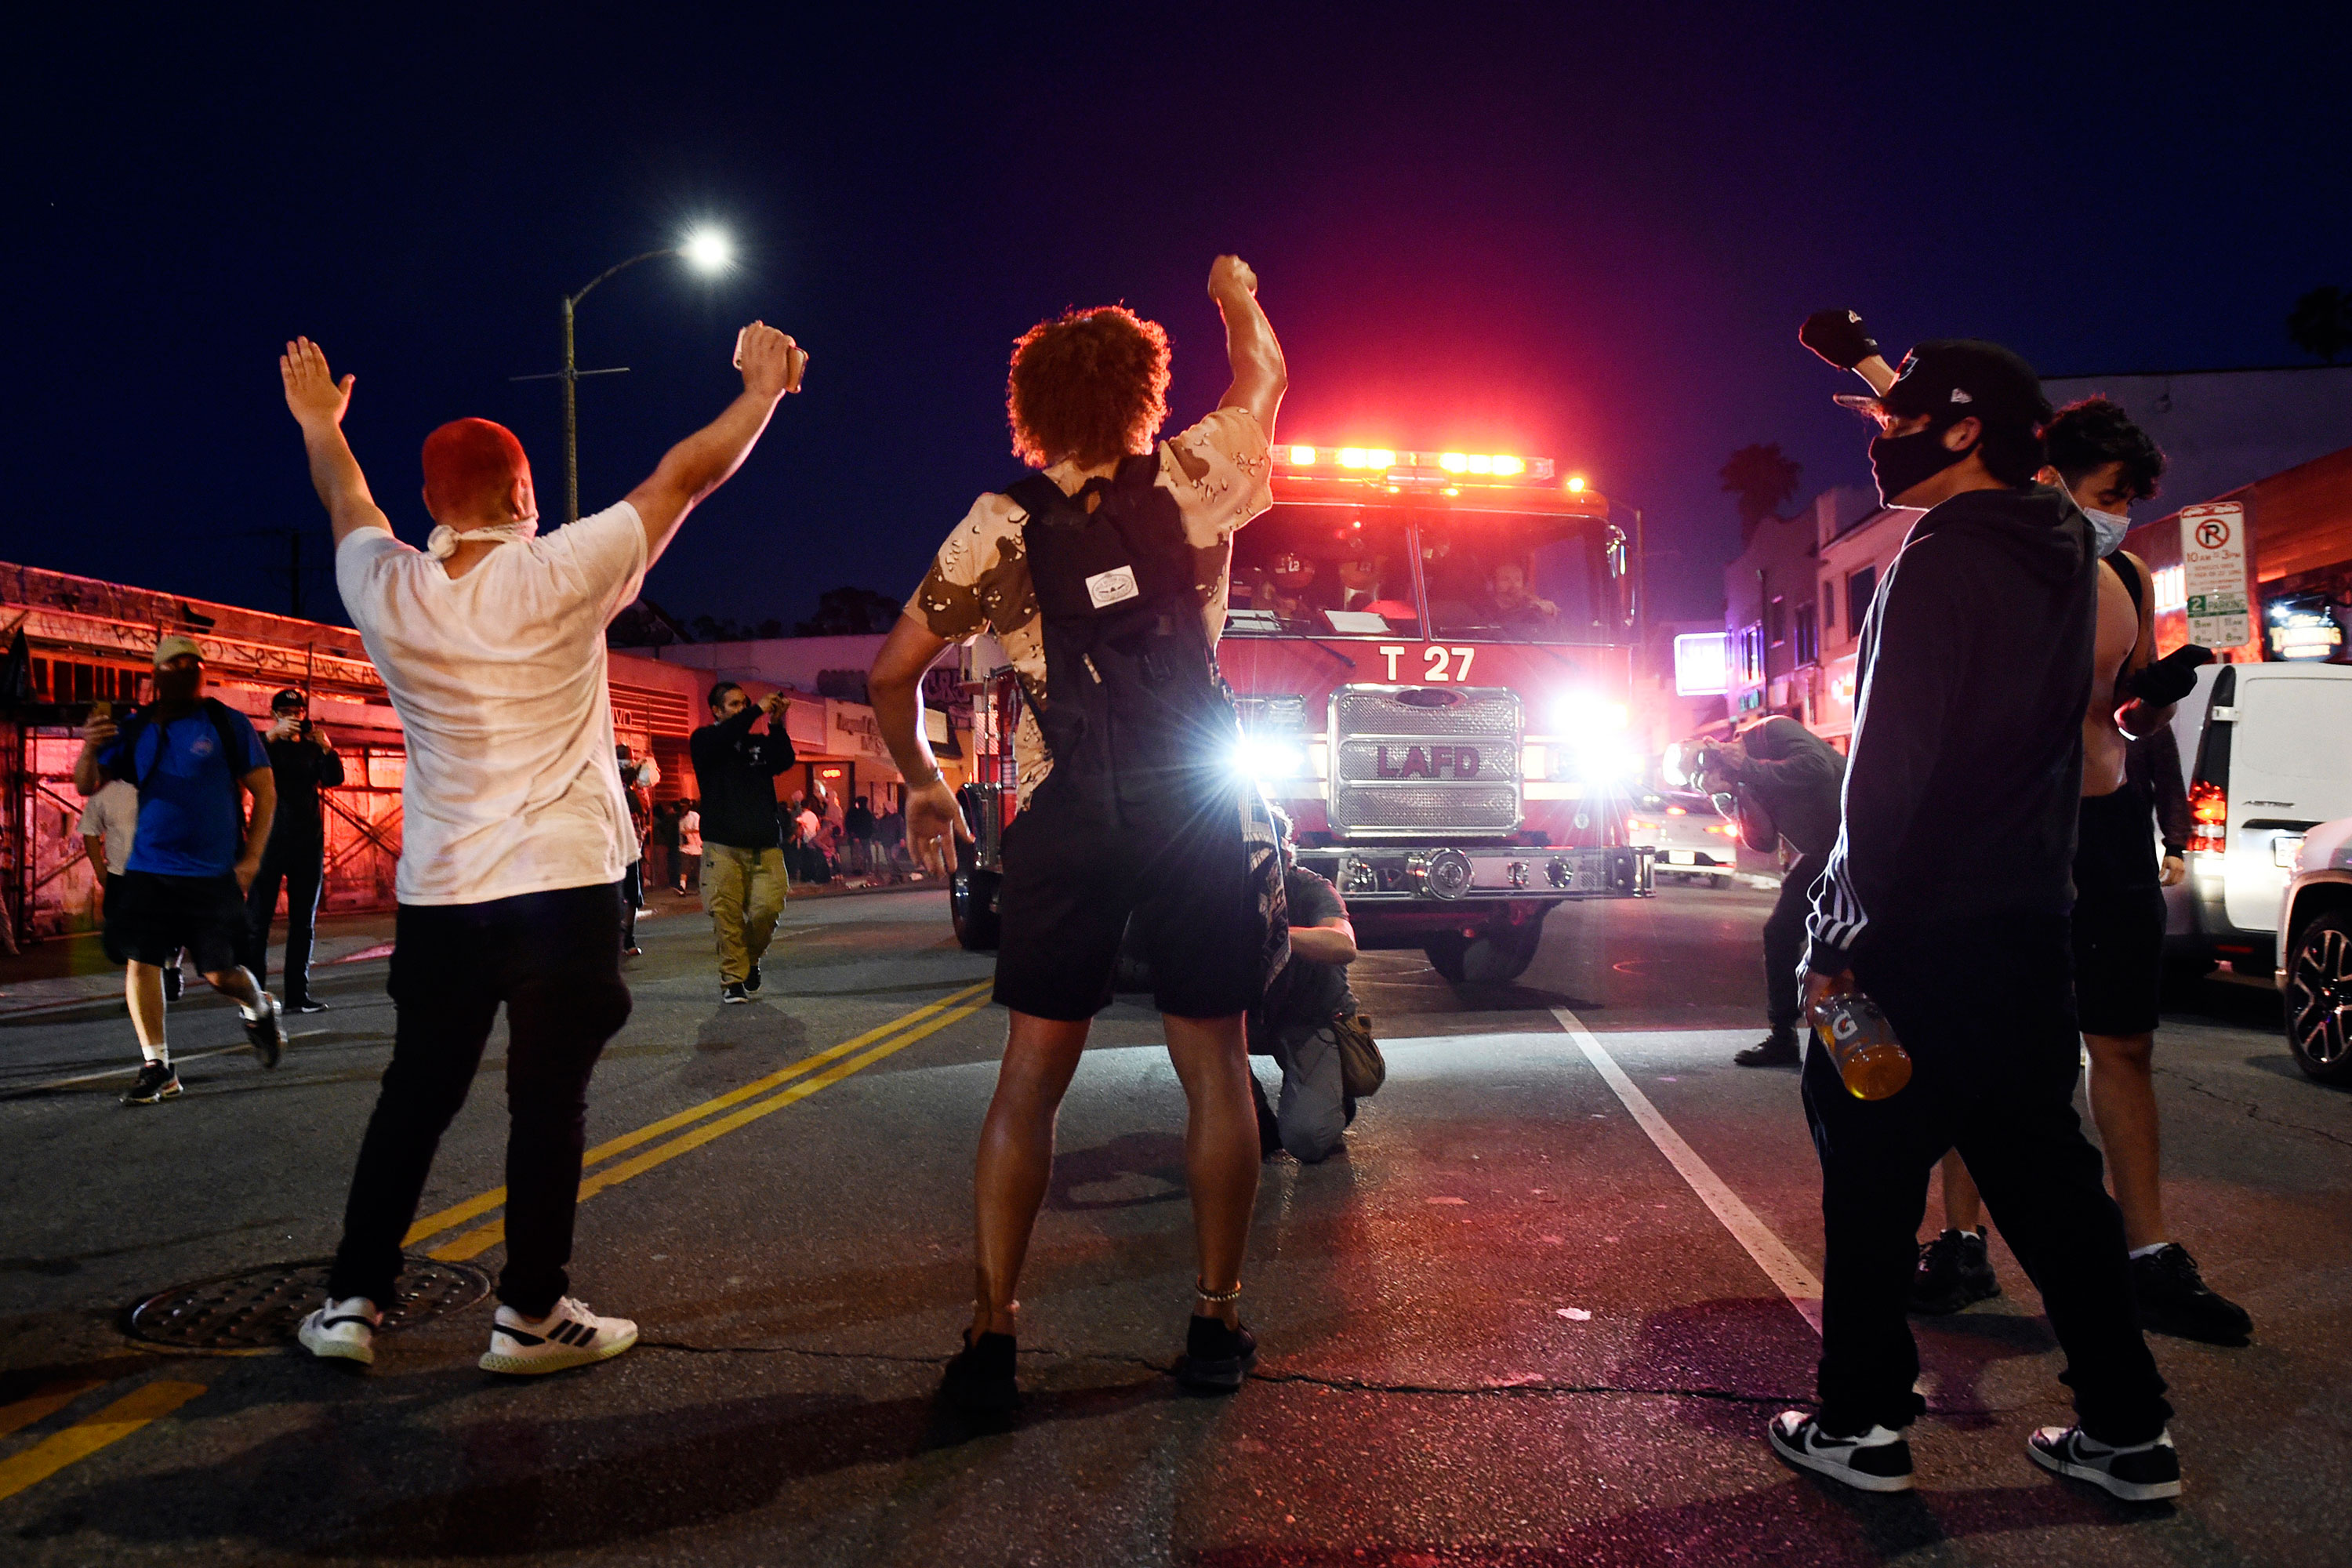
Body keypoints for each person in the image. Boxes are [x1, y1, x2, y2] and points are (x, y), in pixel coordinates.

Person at [280, 321, 807, 1374]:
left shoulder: (387, 588)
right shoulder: (564, 570)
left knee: (415, 1095)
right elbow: (682, 480)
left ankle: (351, 1302)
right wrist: (760, 397)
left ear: (431, 508)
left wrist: (320, 425)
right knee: (546, 1100)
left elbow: (350, 506)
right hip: (560, 886)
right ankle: (528, 1313)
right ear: (526, 497)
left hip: (442, 889)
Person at [1769, 312, 2178, 1502]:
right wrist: (1895, 382)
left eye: (1900, 429)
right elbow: (2017, 453)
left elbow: (1890, 773)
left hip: (1913, 934)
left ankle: (1861, 1425)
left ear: (1961, 432)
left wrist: (1837, 939)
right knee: (2050, 1181)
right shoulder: (2063, 545)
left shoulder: (1936, 562)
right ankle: (2128, 1428)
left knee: (1872, 1174)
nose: (1881, 447)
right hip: (2023, 925)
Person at [869, 254, 1287, 1416]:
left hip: (1068, 820)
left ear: (1031, 415)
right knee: (1214, 1071)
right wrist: (1233, 298)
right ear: (1144, 397)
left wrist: (925, 785)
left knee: (1028, 1085)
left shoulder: (996, 529)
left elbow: (893, 670)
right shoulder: (1203, 472)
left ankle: (994, 1336)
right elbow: (1266, 376)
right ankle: (1214, 1323)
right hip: (1196, 811)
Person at [1915, 398, 2249, 1344]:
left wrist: (2154, 696)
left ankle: (2150, 1256)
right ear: (2050, 475)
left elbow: (2128, 718)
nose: (2123, 517)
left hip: (2107, 825)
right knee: (1988, 1042)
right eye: (2112, 496)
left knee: (2124, 1042)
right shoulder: (1995, 563)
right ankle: (1963, 1242)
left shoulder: (2127, 573)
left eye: (2136, 503)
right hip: (2015, 830)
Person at [74, 637, 289, 1105]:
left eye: (193, 664)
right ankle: (157, 1066)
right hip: (150, 870)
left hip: (212, 876)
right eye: (174, 664)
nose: (185, 670)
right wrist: (90, 747)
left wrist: (251, 860)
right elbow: (87, 783)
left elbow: (266, 793)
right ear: (156, 673)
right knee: (142, 959)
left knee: (219, 974)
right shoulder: (136, 728)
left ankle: (258, 1008)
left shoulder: (225, 723)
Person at [1692, 714, 1847, 1067]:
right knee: (1780, 931)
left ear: (1723, 744)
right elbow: (1761, 841)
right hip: (1824, 853)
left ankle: (1870, 1030)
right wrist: (1731, 794)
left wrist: (1746, 766)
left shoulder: (1771, 732)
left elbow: (1818, 768)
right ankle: (1783, 1036)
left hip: (1860, 840)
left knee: (1862, 938)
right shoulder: (1746, 778)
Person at [1248, 811, 1363, 1163]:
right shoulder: (1219, 889)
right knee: (1190, 1029)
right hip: (1245, 1018)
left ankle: (1336, 1098)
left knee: (1306, 1139)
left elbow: (1343, 945)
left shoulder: (1309, 887)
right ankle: (1258, 1120)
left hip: (1310, 1018)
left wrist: (1277, 934)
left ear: (1285, 851)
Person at [690, 683, 796, 1004]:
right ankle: (733, 979)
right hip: (723, 847)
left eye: (744, 704)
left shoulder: (755, 744)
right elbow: (726, 737)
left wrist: (776, 724)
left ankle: (748, 960)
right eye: (734, 704)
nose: (742, 708)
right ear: (717, 711)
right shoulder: (705, 740)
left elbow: (784, 760)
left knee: (768, 909)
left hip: (764, 846)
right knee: (727, 915)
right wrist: (756, 711)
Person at [243, 688, 346, 1012]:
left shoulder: (313, 747)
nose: (294, 716)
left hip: (307, 842)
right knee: (258, 921)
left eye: (299, 711)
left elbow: (334, 779)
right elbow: (243, 769)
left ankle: (297, 996)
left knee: (303, 922)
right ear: (275, 715)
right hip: (270, 841)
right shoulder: (263, 745)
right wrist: (270, 738)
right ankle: (253, 999)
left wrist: (327, 749)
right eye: (287, 711)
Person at [1486, 560, 1558, 629]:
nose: (1514, 585)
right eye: (1506, 579)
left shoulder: (1529, 604)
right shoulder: (1483, 610)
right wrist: (1530, 609)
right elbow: (1497, 627)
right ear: (1492, 585)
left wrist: (1548, 614)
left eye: (1518, 579)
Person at [652, 798, 684, 894]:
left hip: (672, 844)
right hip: (677, 843)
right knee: (676, 863)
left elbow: (665, 830)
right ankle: (676, 883)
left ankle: (674, 883)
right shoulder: (679, 818)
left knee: (673, 863)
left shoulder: (670, 818)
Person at [677, 800, 703, 892]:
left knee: (698, 869)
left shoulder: (694, 816)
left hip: (696, 847)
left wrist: (688, 831)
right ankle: (682, 887)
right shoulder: (681, 818)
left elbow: (697, 829)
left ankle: (702, 887)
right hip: (686, 847)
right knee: (684, 868)